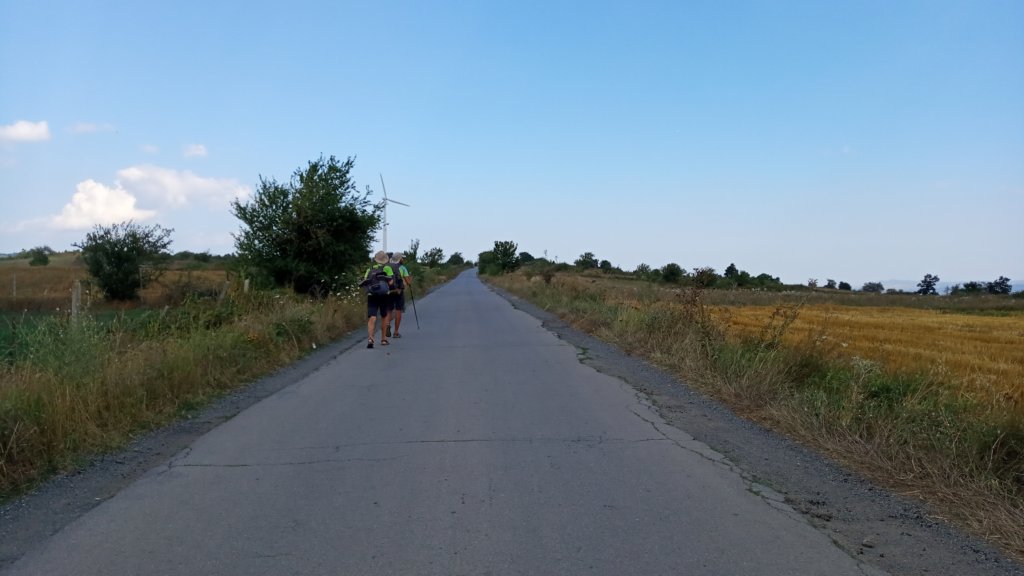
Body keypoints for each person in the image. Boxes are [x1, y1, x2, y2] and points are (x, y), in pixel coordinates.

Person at [363, 250, 394, 348]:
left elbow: (365, 282)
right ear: (385, 259)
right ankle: (383, 339)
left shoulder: (370, 269)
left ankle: (370, 339)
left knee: (372, 317)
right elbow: (391, 282)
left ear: (376, 259)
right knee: (384, 317)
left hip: (372, 295)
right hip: (384, 296)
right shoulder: (387, 268)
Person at [386, 252, 412, 338]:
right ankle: (396, 332)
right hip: (399, 292)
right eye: (402, 258)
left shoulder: (387, 267)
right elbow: (408, 282)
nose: (403, 259)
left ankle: (387, 324)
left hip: (389, 291)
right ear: (399, 259)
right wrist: (409, 280)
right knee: (398, 310)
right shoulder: (402, 268)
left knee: (389, 310)